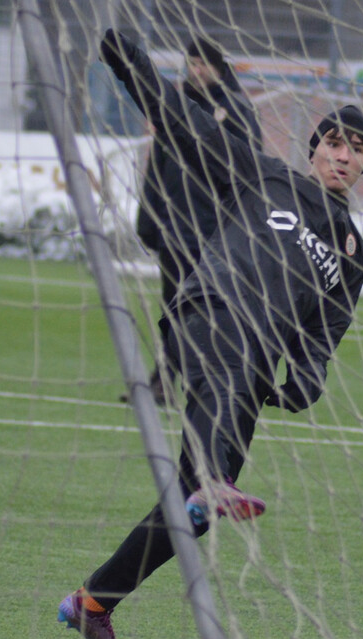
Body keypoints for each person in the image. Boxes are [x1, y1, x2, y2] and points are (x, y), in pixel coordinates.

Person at [59, 29, 363, 639]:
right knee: (210, 481)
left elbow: (324, 333)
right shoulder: (264, 175)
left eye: (358, 150)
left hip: (249, 369)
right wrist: (133, 64)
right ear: (315, 149)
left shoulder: (354, 254)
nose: (343, 156)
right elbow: (182, 122)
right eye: (334, 142)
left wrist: (306, 378)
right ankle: (212, 478)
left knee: (192, 512)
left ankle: (93, 603)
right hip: (208, 316)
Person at [129, 34, 262, 406]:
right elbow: (157, 165)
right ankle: (164, 381)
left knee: (206, 310)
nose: (196, 69)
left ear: (219, 68)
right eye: (191, 62)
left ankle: (197, 382)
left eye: (203, 63)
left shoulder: (237, 111)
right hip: (176, 227)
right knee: (172, 306)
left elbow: (251, 170)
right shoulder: (177, 106)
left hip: (216, 232)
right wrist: (148, 218)